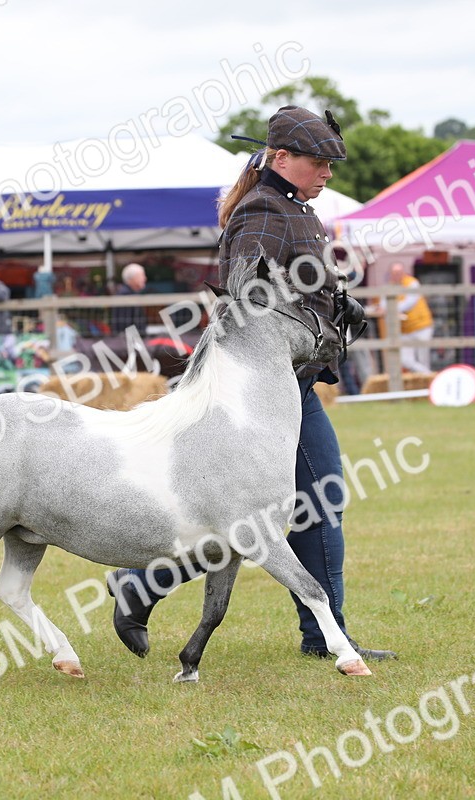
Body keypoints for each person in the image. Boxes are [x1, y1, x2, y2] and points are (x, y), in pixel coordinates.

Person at [109, 106, 395, 664]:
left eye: (331, 164)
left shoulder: (291, 206)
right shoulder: (265, 210)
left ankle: (143, 585)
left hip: (287, 385)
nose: (328, 173)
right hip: (263, 389)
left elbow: (288, 284)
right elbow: (244, 297)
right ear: (282, 159)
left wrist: (337, 302)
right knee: (313, 501)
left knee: (261, 515)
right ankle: (322, 635)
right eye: (319, 162)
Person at [386, 262, 434, 374]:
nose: (397, 275)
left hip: (422, 326)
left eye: (399, 272)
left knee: (423, 359)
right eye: (394, 272)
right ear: (391, 274)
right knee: (405, 360)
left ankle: (426, 381)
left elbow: (409, 303)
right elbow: (384, 303)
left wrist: (391, 308)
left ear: (403, 272)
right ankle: (428, 375)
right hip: (405, 330)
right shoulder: (390, 286)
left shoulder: (412, 283)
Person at [110, 263, 149, 334]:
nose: (145, 278)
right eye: (142, 275)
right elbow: (124, 324)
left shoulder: (128, 293)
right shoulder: (125, 295)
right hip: (128, 341)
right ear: (132, 278)